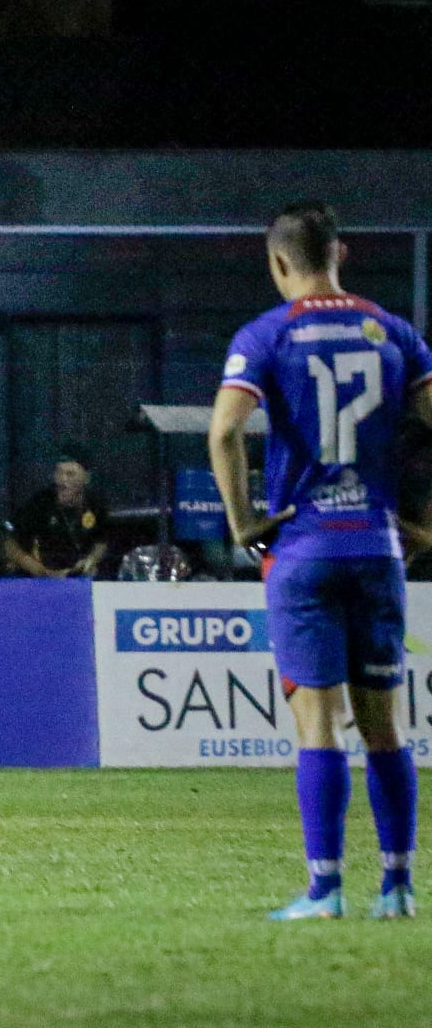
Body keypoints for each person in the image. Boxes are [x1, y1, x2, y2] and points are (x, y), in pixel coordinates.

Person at [210, 200, 432, 921]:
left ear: (279, 262)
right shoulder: (395, 332)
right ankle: (397, 886)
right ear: (344, 254)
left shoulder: (267, 334)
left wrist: (245, 522)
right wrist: (425, 523)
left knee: (318, 726)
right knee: (385, 726)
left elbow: (224, 433)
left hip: (303, 547)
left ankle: (325, 888)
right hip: (376, 545)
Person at [5, 447, 109, 578]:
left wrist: (91, 561)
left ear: (86, 478)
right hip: (44, 580)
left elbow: (101, 542)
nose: (62, 481)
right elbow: (10, 543)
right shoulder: (41, 503)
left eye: (70, 474)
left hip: (80, 579)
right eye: (58, 473)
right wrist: (37, 569)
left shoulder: (96, 505)